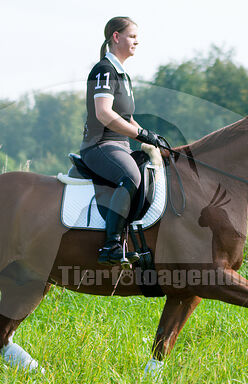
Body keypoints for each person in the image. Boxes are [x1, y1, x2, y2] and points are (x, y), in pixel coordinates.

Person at [80, 16, 164, 265]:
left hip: (121, 145)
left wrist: (149, 136)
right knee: (131, 178)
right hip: (100, 145)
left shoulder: (122, 74)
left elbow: (126, 118)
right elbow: (104, 113)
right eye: (132, 36)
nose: (137, 42)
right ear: (116, 37)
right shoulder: (104, 70)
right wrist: (140, 135)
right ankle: (111, 245)